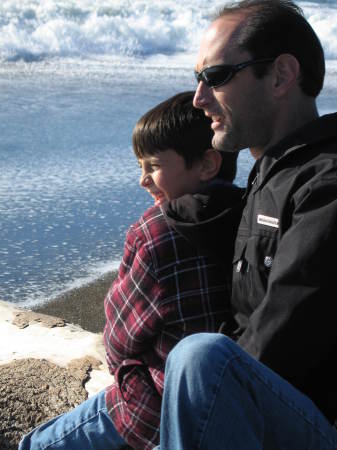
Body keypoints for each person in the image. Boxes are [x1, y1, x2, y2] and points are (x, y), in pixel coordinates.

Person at [153, 1, 337, 449]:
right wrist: (166, 210)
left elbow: (280, 347)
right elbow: (234, 222)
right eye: (198, 80)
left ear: (280, 75)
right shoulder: (273, 173)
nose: (198, 98)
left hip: (312, 421)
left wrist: (190, 398)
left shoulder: (327, 182)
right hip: (265, 405)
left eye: (214, 77)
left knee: (201, 360)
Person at [19, 92, 243, 449]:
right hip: (225, 403)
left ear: (206, 164)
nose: (143, 180)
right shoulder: (248, 214)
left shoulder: (155, 232)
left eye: (153, 166)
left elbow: (120, 337)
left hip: (153, 405)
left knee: (39, 444)